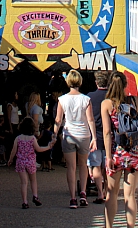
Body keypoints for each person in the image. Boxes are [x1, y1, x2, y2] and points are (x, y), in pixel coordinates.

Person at [100, 72, 138, 228]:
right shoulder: (135, 101)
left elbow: (107, 132)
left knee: (111, 193)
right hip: (134, 154)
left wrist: (107, 156)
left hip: (116, 154)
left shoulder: (107, 104)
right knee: (130, 195)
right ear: (125, 84)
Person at [53, 70, 97, 209]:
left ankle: (73, 198)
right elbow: (90, 120)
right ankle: (83, 193)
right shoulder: (86, 99)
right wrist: (94, 137)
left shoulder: (62, 100)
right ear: (80, 82)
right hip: (84, 134)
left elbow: (58, 119)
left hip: (69, 134)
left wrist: (54, 135)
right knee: (83, 165)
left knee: (71, 167)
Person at [7, 117, 55, 209]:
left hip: (20, 162)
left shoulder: (18, 138)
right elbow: (38, 149)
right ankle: (35, 196)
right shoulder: (33, 138)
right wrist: (48, 147)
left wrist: (10, 160)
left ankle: (24, 202)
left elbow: (13, 151)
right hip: (30, 162)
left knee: (24, 183)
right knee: (33, 180)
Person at [87, 71, 108, 203]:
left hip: (94, 135)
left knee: (96, 166)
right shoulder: (111, 97)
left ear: (96, 83)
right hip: (109, 135)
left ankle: (99, 193)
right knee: (107, 166)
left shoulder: (90, 97)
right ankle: (107, 190)